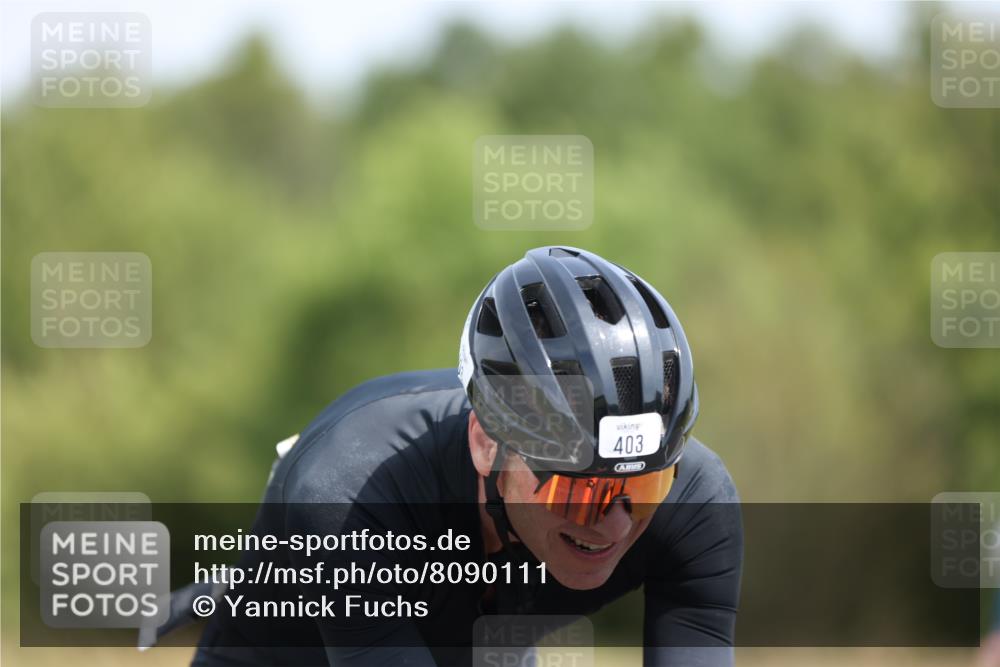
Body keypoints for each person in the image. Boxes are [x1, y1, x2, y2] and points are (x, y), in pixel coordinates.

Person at [193, 246, 743, 666]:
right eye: (579, 491)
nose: (617, 524)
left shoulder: (698, 501)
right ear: (487, 444)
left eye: (643, 488)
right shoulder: (351, 496)